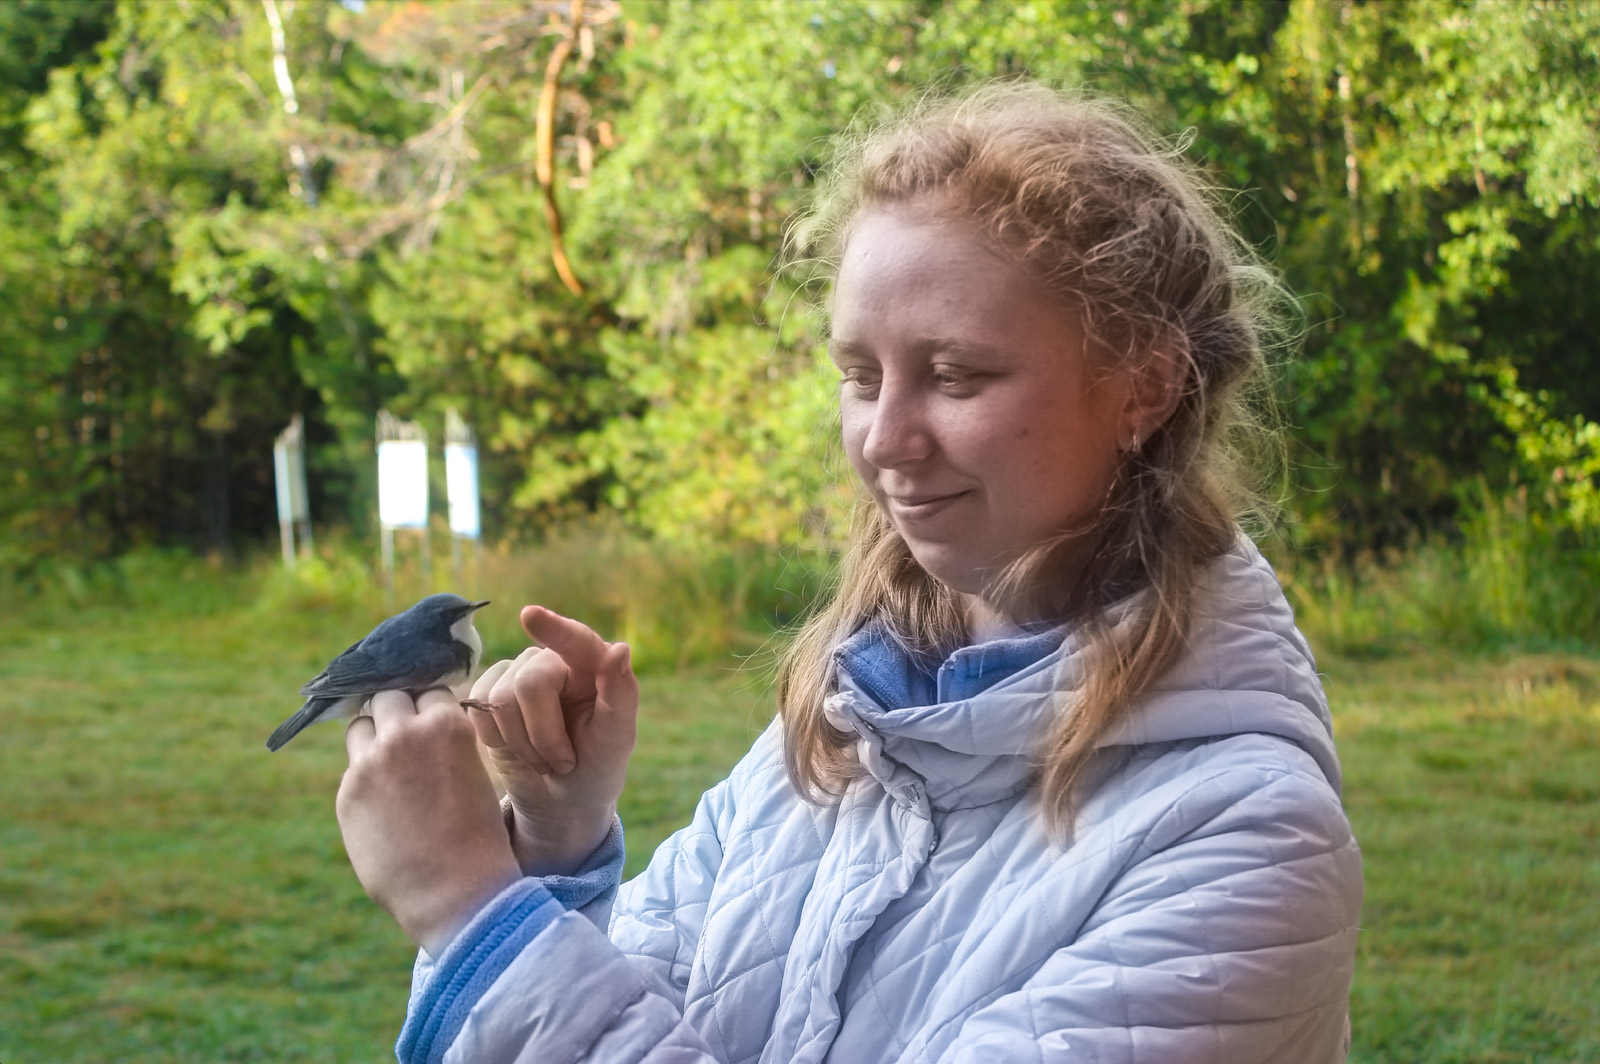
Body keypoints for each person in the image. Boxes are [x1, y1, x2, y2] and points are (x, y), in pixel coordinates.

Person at [334, 82, 1364, 1064]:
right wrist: (554, 853)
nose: (884, 439)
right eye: (860, 376)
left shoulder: (1244, 836)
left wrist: (475, 912)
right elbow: (634, 1019)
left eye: (954, 374)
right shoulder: (840, 732)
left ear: (1144, 386)